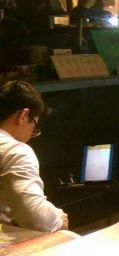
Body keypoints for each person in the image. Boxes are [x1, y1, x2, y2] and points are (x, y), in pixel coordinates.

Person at [0, 81, 68, 232]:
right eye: (34, 127)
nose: (32, 134)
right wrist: (58, 218)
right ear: (23, 115)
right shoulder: (15, 152)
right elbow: (36, 218)